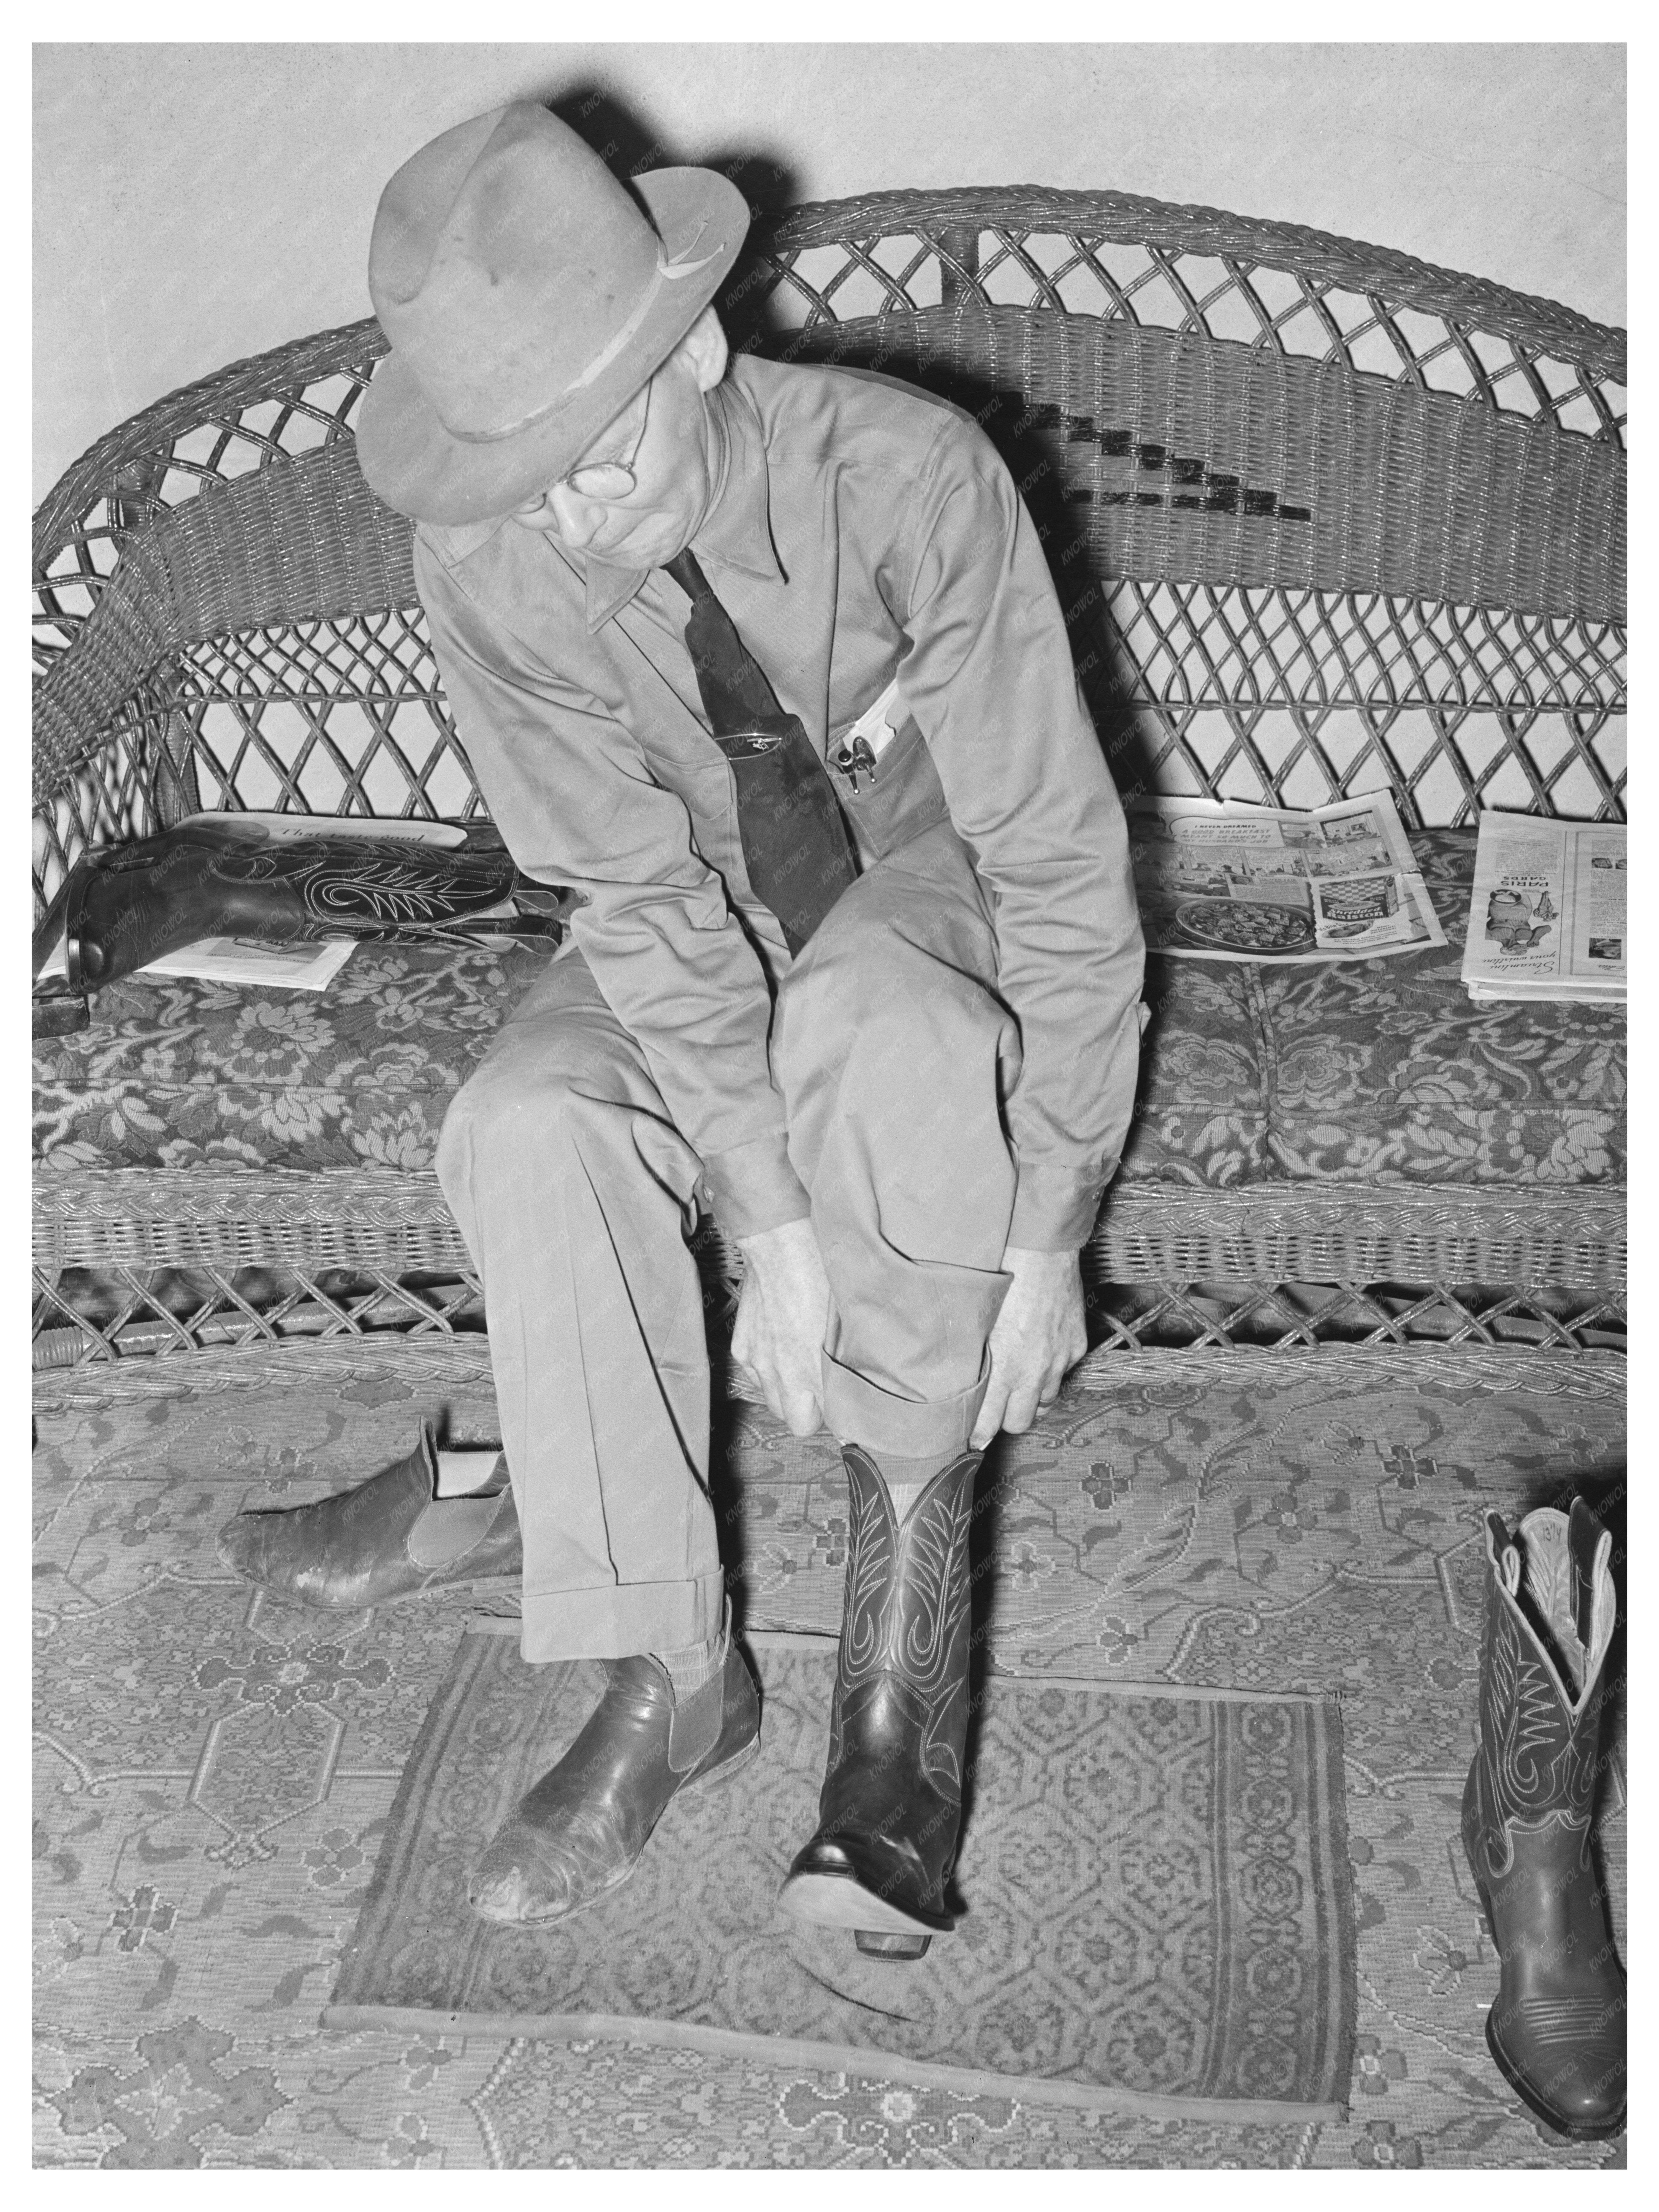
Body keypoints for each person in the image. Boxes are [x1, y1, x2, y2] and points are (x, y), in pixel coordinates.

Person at [221, 100, 1145, 1960]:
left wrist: (1053, 1232)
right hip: (704, 914)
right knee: (527, 1116)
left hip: (924, 872)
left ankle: (901, 1686)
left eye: (596, 446)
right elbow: (635, 903)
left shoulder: (908, 476)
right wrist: (772, 1230)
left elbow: (1051, 854)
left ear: (697, 346)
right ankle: (674, 1671)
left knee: (885, 1006)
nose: (566, 507)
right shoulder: (488, 564)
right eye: (523, 468)